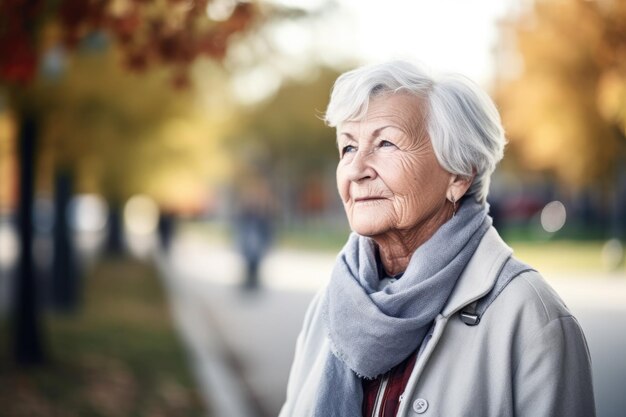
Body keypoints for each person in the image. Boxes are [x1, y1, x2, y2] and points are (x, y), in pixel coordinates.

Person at [279, 61, 595, 417]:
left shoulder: (530, 316)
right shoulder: (329, 306)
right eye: (348, 148)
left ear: (458, 175)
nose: (356, 169)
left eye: (385, 143)